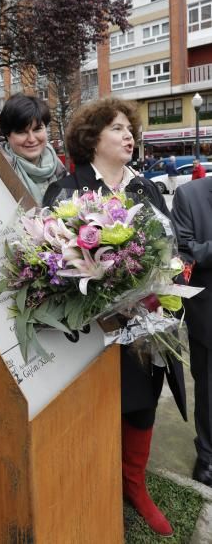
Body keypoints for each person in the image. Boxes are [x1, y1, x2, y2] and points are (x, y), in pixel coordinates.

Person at [43, 97, 186, 537]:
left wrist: (164, 280)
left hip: (147, 326)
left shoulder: (144, 188)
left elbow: (170, 248)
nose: (129, 136)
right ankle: (95, 483)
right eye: (118, 129)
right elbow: (51, 263)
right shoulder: (68, 190)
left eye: (130, 130)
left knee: (143, 405)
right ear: (92, 138)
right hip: (92, 331)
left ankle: (134, 486)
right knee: (96, 410)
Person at [171, 178, 212, 487]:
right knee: (209, 388)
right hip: (208, 310)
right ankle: (208, 456)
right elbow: (183, 250)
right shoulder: (189, 195)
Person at [0, 94, 66, 204]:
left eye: (37, 129)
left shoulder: (58, 167)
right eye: (21, 132)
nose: (32, 139)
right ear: (7, 135)